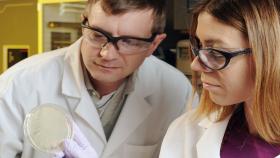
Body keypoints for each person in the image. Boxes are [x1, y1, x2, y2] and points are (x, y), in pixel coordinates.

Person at [0, 0, 193, 158]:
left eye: (128, 42)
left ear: (154, 44)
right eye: (97, 35)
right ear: (83, 22)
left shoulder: (177, 91)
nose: (107, 54)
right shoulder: (18, 84)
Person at [159, 0, 280, 157]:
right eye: (198, 47)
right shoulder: (187, 130)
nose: (195, 65)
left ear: (270, 56)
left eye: (216, 52)